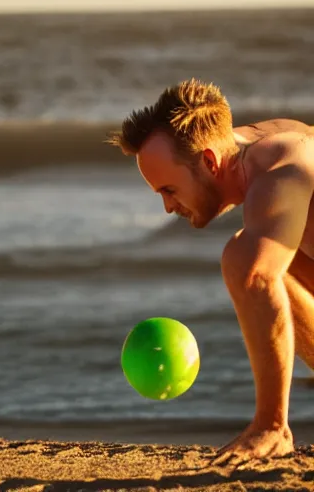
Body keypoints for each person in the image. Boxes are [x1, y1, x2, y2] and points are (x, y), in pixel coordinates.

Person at [106, 78, 314, 465]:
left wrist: (270, 425)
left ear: (208, 162)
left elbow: (255, 276)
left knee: (247, 260)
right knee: (266, 250)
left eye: (169, 189)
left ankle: (273, 428)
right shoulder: (235, 148)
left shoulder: (281, 164)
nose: (169, 207)